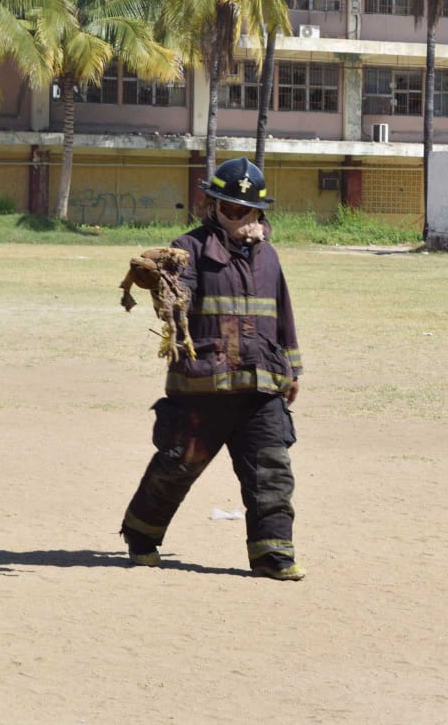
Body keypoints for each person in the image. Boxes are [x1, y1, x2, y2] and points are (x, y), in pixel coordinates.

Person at [120, 157, 306, 580]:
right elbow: (176, 291)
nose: (237, 217)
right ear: (214, 207)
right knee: (176, 466)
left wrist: (292, 370)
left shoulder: (270, 258)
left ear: (260, 212)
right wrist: (162, 284)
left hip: (262, 384)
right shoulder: (188, 249)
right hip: (204, 383)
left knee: (271, 472)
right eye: (228, 208)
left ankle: (273, 556)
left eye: (245, 210)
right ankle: (141, 535)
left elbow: (283, 316)